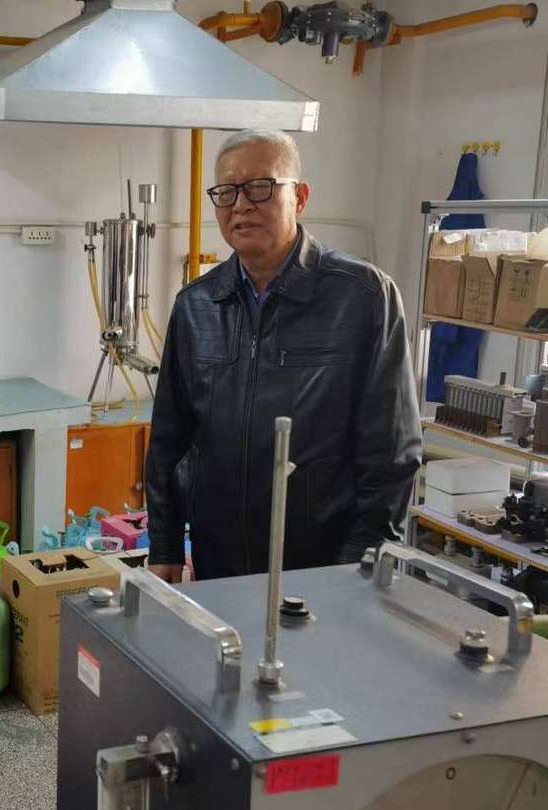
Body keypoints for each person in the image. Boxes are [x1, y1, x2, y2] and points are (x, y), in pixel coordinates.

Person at [145, 128, 422, 583]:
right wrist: (165, 544)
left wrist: (357, 563)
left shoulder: (362, 297)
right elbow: (168, 440)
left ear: (300, 197)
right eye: (226, 192)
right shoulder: (197, 305)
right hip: (219, 562)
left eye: (260, 187)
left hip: (325, 565)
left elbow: (391, 453)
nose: (240, 205)